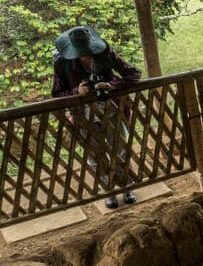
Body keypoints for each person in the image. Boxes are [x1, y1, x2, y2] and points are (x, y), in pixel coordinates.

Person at [52, 26, 141, 210]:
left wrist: (112, 85)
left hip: (112, 111)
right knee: (96, 156)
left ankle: (126, 188)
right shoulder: (63, 63)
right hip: (84, 117)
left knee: (120, 150)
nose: (85, 55)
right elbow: (56, 94)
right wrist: (77, 91)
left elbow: (134, 74)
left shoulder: (105, 54)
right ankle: (109, 191)